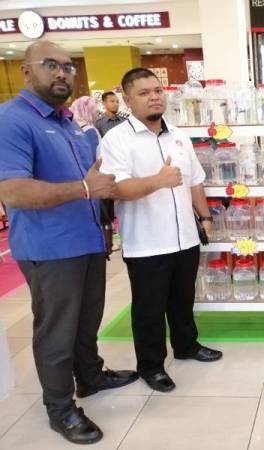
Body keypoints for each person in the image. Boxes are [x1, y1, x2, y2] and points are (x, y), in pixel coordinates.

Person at [0, 41, 137, 445]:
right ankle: (60, 408)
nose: (62, 73)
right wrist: (83, 188)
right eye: (50, 65)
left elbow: (97, 179)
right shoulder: (12, 120)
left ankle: (90, 376)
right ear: (26, 72)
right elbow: (13, 191)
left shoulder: (73, 124)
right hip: (50, 248)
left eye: (68, 66)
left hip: (89, 241)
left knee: (87, 321)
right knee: (57, 331)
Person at [100, 68, 222, 393]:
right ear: (127, 100)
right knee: (149, 309)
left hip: (184, 237)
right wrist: (158, 180)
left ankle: (187, 345)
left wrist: (205, 217)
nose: (154, 96)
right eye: (144, 92)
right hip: (146, 244)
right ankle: (151, 367)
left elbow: (195, 179)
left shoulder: (179, 135)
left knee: (182, 300)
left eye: (157, 90)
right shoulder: (116, 139)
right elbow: (115, 189)